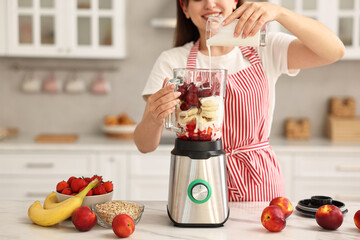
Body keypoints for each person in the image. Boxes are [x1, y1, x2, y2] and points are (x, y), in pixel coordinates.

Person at [134, 0, 345, 201]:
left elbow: (334, 51)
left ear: (235, 2)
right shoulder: (172, 61)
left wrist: (280, 13)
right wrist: (154, 117)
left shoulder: (264, 47)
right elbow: (144, 145)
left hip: (258, 179)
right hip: (197, 177)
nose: (210, 3)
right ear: (185, 8)